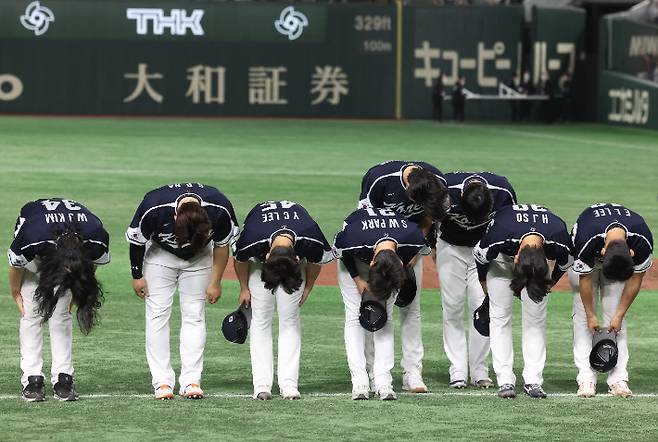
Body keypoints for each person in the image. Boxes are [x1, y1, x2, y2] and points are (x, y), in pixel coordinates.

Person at [126, 183, 238, 400]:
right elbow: (137, 242)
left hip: (199, 258)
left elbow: (222, 245)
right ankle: (162, 382)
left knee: (194, 315)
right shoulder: (153, 206)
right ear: (175, 216)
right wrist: (137, 275)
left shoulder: (219, 208)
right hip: (160, 256)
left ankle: (191, 380)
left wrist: (215, 281)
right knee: (157, 315)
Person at [358, 160, 449, 393]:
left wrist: (415, 252)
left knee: (411, 307)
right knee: (374, 306)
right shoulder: (379, 180)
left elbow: (429, 219)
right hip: (379, 250)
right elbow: (364, 221)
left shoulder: (436, 181)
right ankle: (371, 370)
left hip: (411, 248)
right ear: (408, 189)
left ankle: (413, 372)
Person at [8, 198, 110, 402]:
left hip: (72, 250)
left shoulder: (96, 237)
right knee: (32, 313)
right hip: (38, 257)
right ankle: (31, 378)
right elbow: (16, 264)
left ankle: (64, 378)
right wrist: (15, 291)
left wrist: (78, 287)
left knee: (61, 314)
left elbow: (91, 266)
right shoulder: (32, 237)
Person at [233, 200, 332, 400]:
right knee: (261, 320)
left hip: (291, 270)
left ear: (297, 258)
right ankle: (261, 384)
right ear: (266, 254)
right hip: (260, 269)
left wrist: (309, 286)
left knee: (289, 320)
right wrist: (244, 287)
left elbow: (316, 260)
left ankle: (289, 384)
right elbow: (240, 259)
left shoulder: (310, 235)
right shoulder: (253, 236)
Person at [473, 204, 572, 399]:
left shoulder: (559, 237)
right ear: (516, 256)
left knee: (536, 319)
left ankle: (533, 380)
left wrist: (548, 283)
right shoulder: (500, 231)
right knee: (499, 316)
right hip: (501, 262)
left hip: (538, 268)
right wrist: (484, 286)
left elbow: (564, 264)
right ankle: (505, 379)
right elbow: (481, 259)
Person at [333, 208, 428, 401]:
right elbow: (341, 252)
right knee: (353, 316)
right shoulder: (352, 238)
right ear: (373, 262)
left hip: (391, 256)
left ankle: (383, 380)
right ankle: (359, 380)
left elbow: (419, 251)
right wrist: (358, 279)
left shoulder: (412, 237)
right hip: (354, 259)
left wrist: (407, 262)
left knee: (386, 316)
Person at [436, 173, 516, 389]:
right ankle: (458, 370)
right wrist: (432, 247)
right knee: (452, 307)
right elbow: (429, 217)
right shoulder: (445, 189)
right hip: (451, 247)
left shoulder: (503, 192)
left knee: (481, 307)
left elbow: (511, 223)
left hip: (484, 251)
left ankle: (480, 370)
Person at [569, 203, 653, 398]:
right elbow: (585, 279)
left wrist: (619, 315)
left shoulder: (641, 240)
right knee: (583, 320)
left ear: (631, 253)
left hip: (614, 257)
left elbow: (636, 279)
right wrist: (591, 315)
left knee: (617, 322)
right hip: (585, 262)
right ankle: (586, 378)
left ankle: (619, 379)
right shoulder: (586, 237)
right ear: (603, 251)